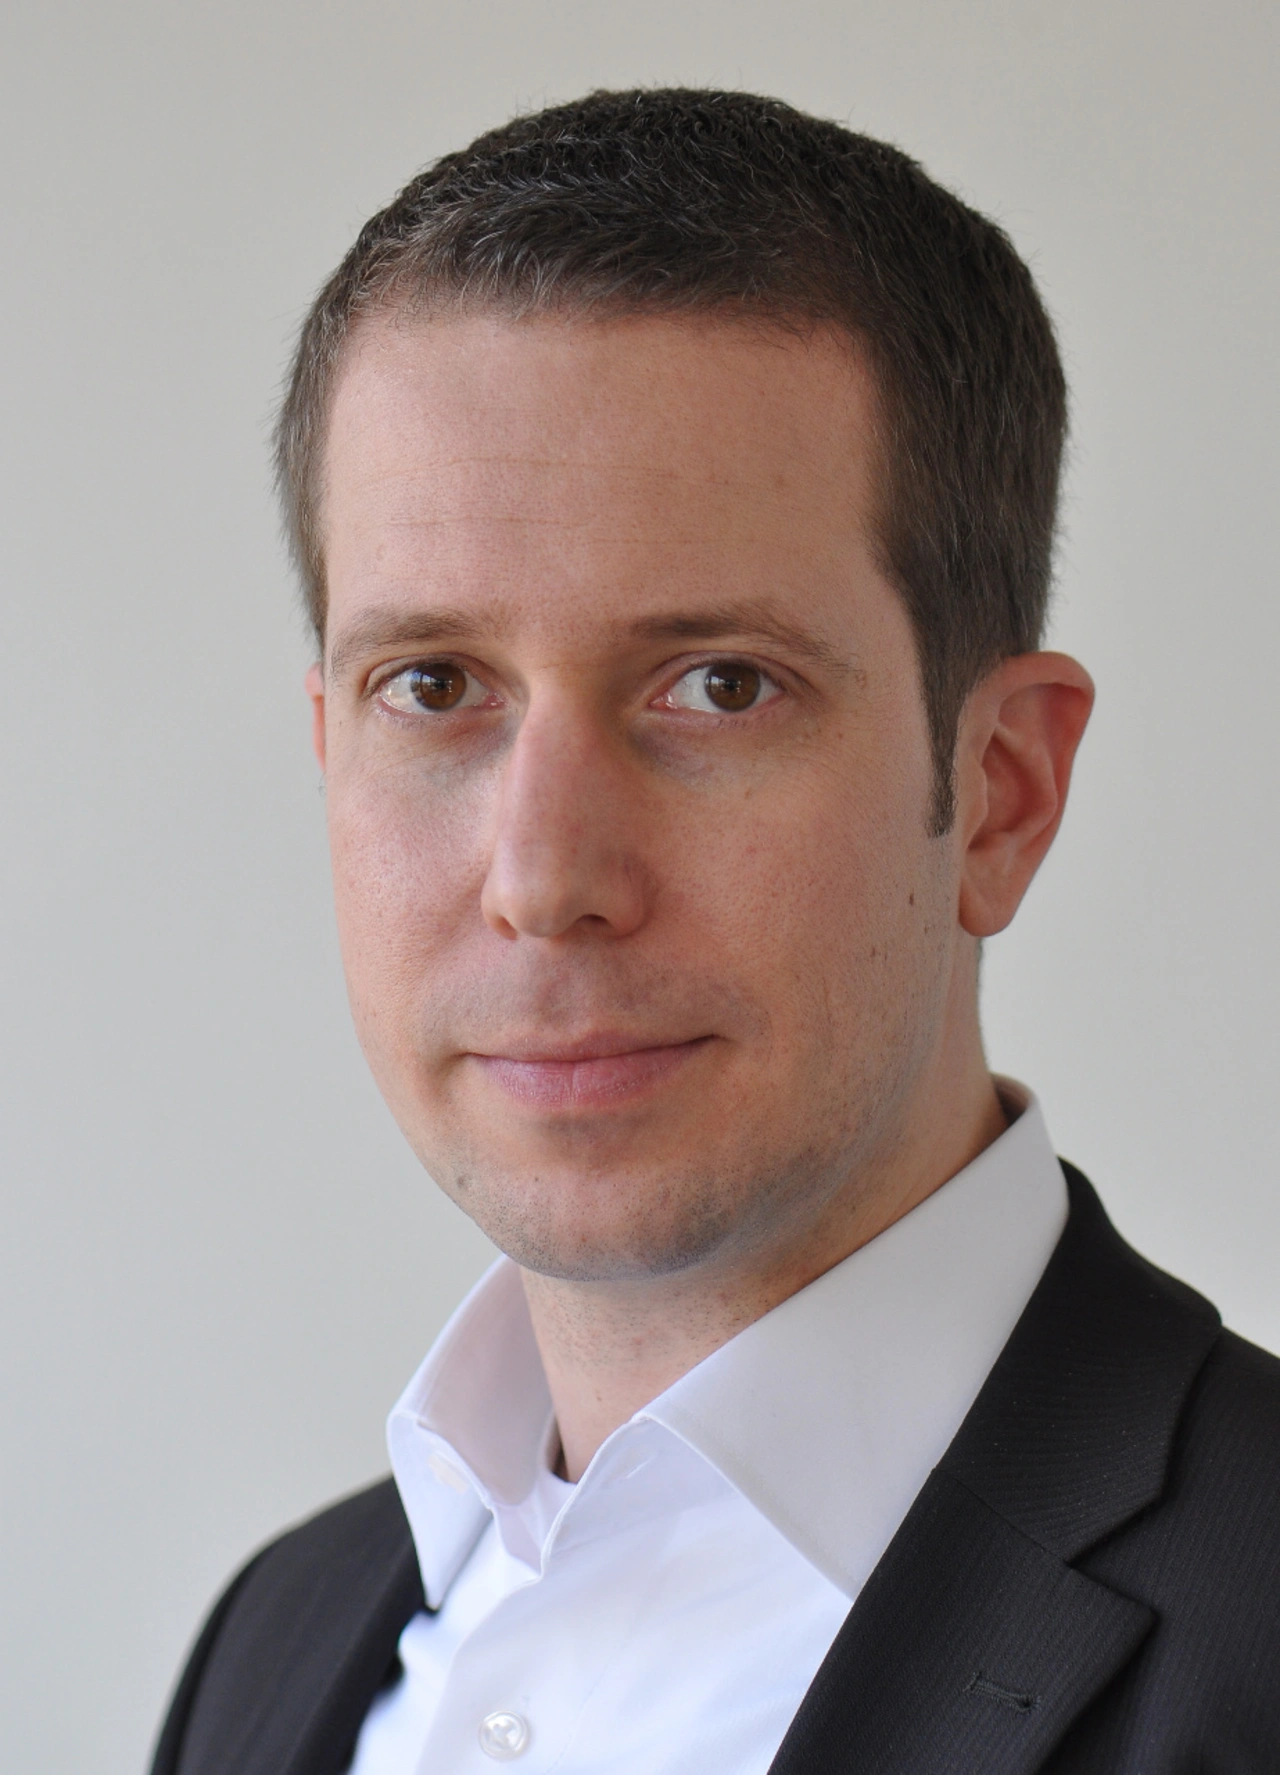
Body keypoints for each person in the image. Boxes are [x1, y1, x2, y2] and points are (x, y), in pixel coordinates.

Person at [149, 89, 1280, 1775]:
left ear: (1000, 792)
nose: (543, 876)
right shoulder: (271, 1642)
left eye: (720, 685)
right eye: (434, 685)